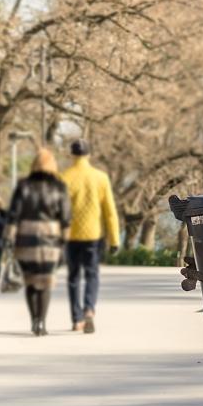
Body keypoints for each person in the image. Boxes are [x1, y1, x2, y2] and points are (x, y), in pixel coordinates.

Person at [8, 148, 71, 336]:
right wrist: (65, 241)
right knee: (46, 280)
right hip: (50, 237)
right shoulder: (59, 186)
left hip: (25, 236)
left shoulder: (23, 185)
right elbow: (66, 217)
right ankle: (42, 322)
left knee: (30, 280)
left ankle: (33, 320)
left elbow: (13, 214)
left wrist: (9, 238)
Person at [60, 139, 120, 334]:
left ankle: (77, 320)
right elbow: (110, 211)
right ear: (88, 155)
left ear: (72, 155)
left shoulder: (64, 177)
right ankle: (89, 310)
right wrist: (114, 239)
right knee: (92, 274)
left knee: (73, 277)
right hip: (94, 235)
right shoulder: (100, 178)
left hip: (71, 235)